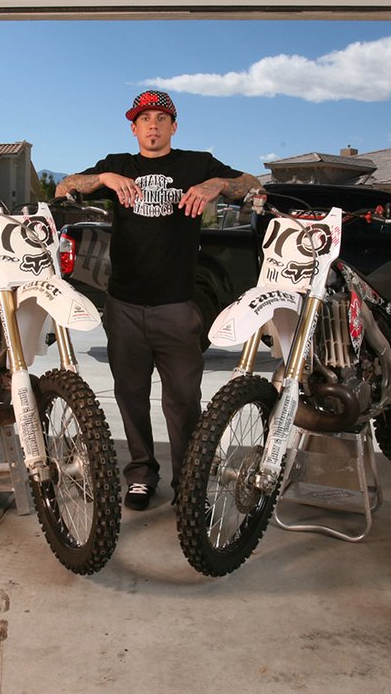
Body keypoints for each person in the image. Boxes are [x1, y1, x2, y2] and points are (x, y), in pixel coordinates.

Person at [55, 90, 261, 510]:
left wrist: (216, 184)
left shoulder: (197, 163)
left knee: (183, 400)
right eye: (144, 118)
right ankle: (142, 474)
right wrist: (105, 180)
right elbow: (65, 187)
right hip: (124, 304)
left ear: (173, 126)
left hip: (177, 305)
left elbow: (253, 185)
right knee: (130, 394)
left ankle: (189, 481)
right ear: (133, 128)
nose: (152, 124)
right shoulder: (118, 165)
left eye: (160, 118)